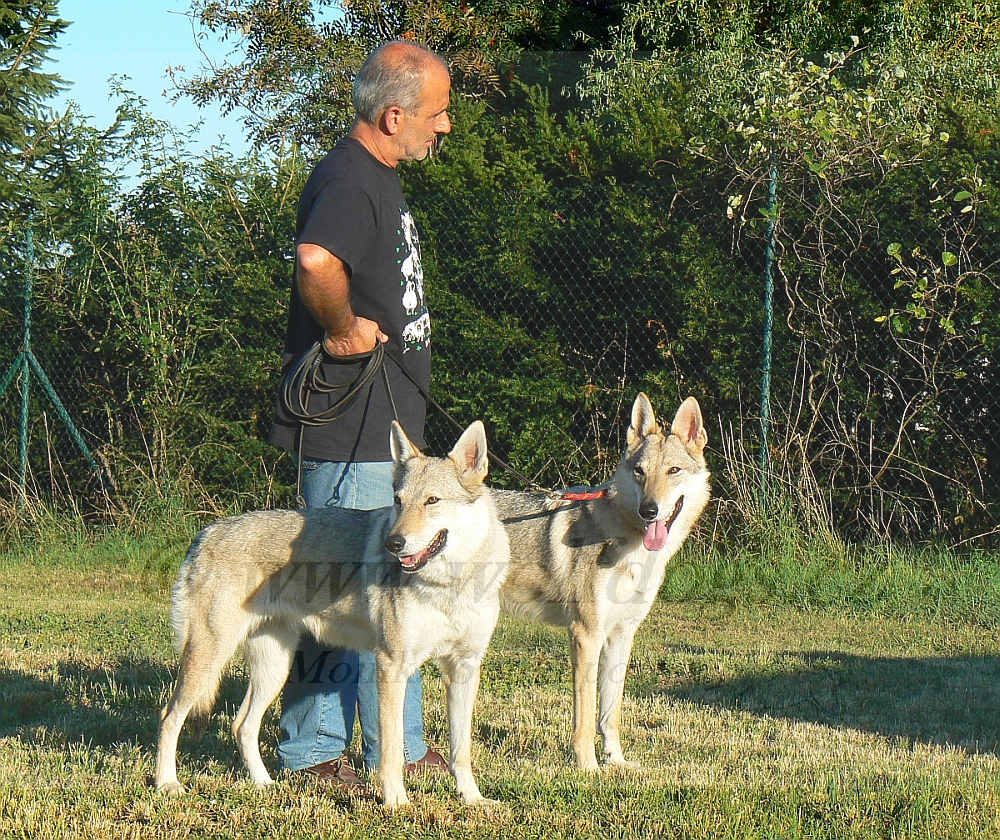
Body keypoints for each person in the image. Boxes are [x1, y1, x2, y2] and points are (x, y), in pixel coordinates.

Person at [268, 40, 452, 791]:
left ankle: (398, 750)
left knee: (396, 597)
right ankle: (313, 755)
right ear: (393, 114)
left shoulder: (378, 176)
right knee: (337, 595)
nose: (445, 129)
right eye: (437, 115)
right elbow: (316, 260)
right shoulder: (348, 177)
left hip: (388, 439)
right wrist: (342, 330)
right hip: (349, 436)